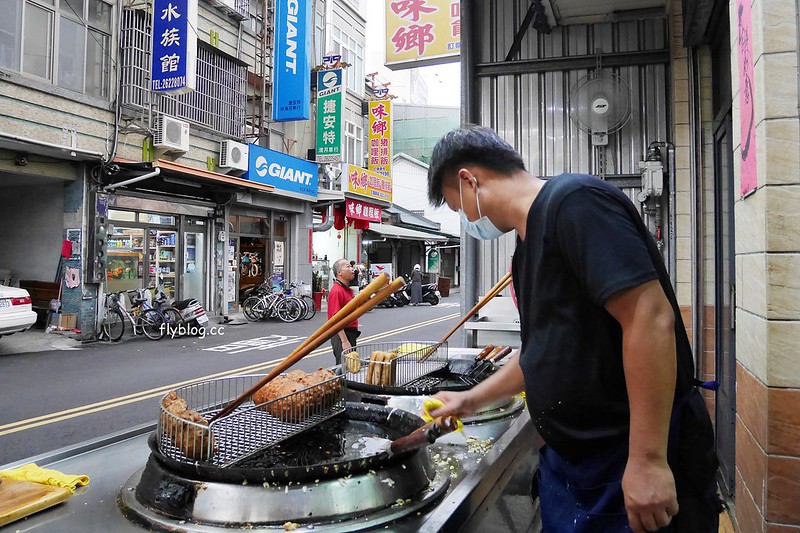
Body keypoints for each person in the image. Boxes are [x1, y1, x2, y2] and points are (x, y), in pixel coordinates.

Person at [426, 125, 721, 533]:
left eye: (456, 205)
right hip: (578, 466)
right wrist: (469, 401)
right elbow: (542, 355)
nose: (465, 218)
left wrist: (648, 460)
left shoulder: (574, 202)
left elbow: (649, 317)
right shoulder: (527, 249)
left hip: (623, 455)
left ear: (468, 179)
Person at [327, 259, 360, 365]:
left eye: (351, 266)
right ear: (339, 273)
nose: (352, 269)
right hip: (342, 334)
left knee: (352, 368)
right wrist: (344, 341)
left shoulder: (347, 290)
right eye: (348, 267)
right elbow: (335, 320)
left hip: (350, 333)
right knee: (344, 369)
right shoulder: (336, 291)